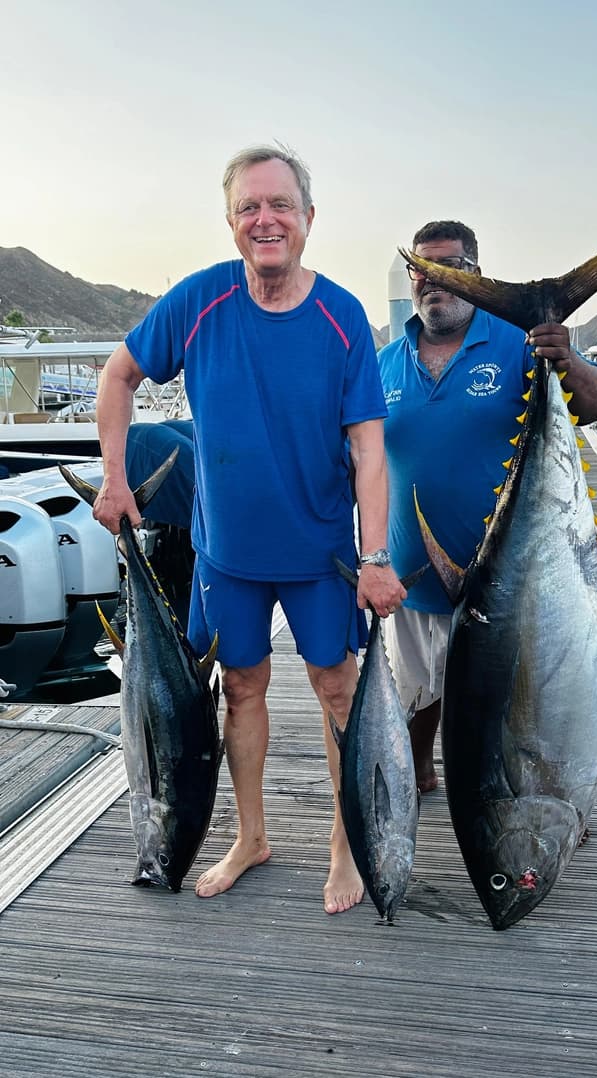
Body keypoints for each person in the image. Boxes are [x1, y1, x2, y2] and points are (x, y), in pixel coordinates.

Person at [92, 144, 406, 913]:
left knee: (337, 690)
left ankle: (345, 844)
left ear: (307, 218)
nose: (265, 220)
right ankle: (251, 835)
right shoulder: (198, 301)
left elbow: (369, 450)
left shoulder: (340, 317)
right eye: (248, 208)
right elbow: (117, 375)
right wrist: (113, 477)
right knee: (240, 687)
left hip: (321, 552)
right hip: (226, 552)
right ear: (232, 220)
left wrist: (374, 555)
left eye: (280, 206)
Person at [378, 220, 597, 793]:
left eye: (450, 268)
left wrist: (566, 361)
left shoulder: (519, 341)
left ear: (477, 275)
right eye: (421, 270)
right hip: (412, 577)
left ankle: (563, 790)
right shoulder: (385, 362)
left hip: (513, 582)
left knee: (527, 701)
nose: (433, 281)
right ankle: (422, 774)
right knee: (415, 696)